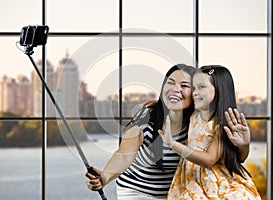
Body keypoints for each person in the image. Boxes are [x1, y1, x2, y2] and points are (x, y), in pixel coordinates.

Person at [85, 64, 251, 199]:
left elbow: (228, 158)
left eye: (184, 86)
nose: (175, 89)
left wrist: (244, 145)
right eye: (170, 83)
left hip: (174, 195)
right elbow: (125, 153)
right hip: (137, 192)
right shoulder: (147, 116)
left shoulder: (199, 123)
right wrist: (105, 176)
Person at [159, 65, 261, 199]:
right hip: (191, 177)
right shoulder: (193, 113)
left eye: (201, 87)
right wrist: (154, 104)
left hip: (215, 178)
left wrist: (172, 144)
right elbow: (175, 102)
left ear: (219, 90)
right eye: (194, 87)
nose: (195, 92)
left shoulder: (220, 124)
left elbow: (210, 159)